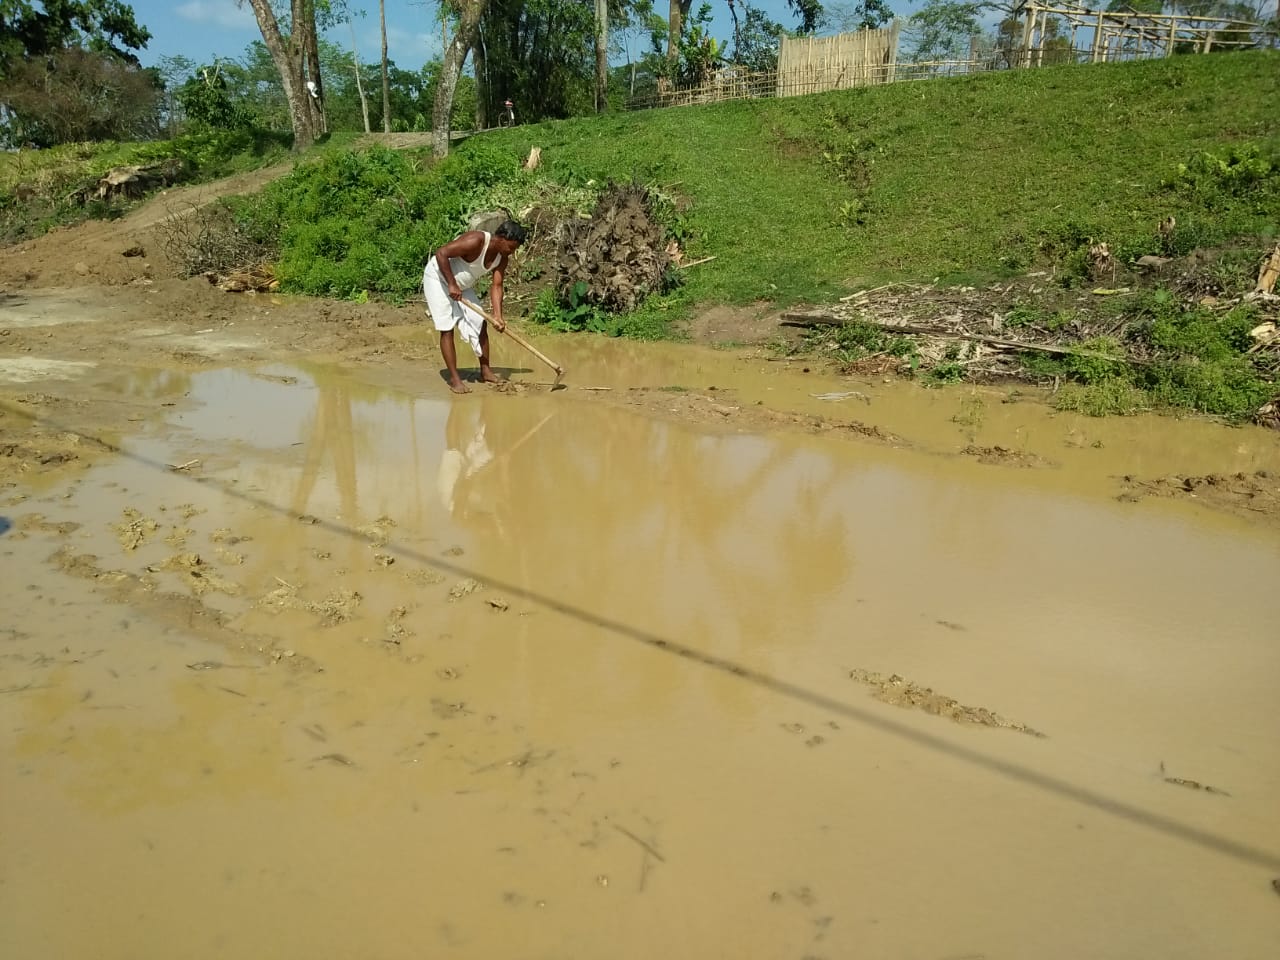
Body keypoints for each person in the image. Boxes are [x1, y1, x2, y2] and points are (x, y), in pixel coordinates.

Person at [423, 219, 527, 394]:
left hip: (461, 286)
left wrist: (497, 315)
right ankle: (455, 380)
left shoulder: (502, 258)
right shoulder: (476, 240)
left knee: (481, 322)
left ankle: (485, 371)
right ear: (501, 238)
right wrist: (451, 284)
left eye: (515, 249)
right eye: (511, 247)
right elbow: (441, 253)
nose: (512, 252)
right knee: (446, 328)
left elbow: (497, 285)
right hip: (438, 278)